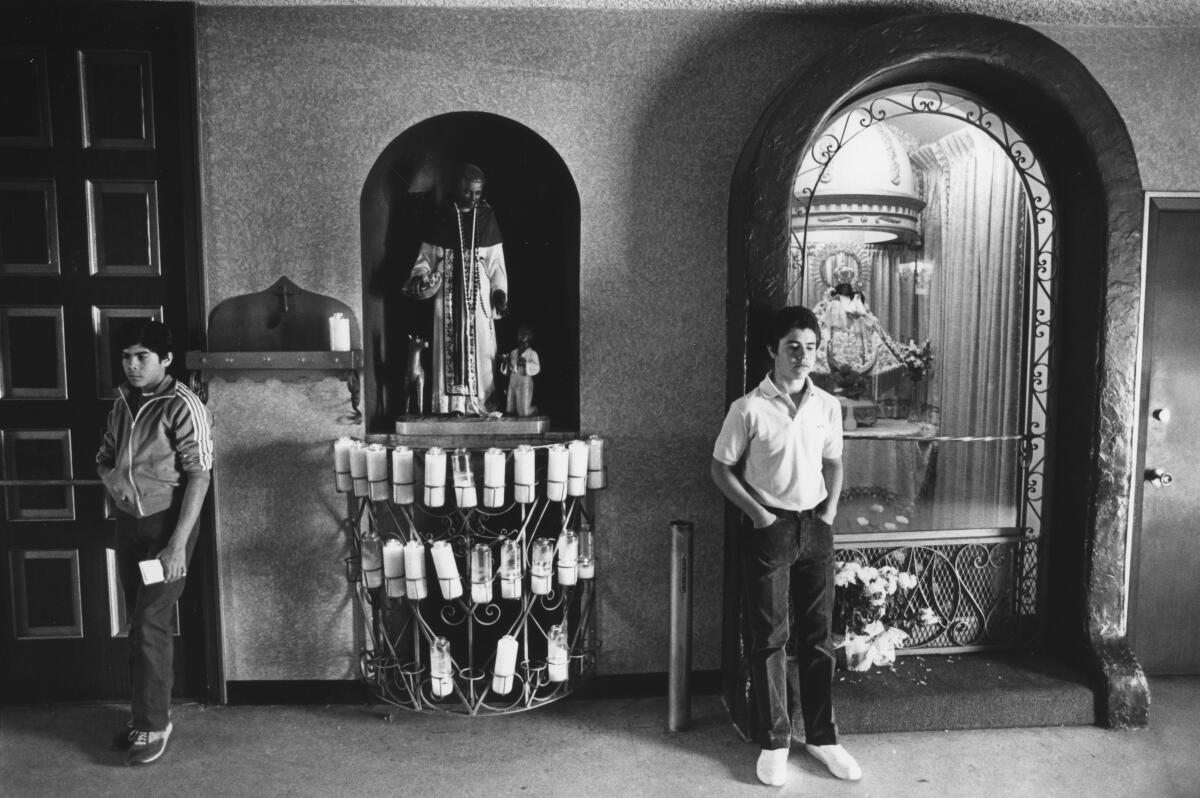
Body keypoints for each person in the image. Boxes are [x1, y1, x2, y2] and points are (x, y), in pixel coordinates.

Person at [710, 305, 862, 787]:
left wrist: (830, 512)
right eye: (793, 347)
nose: (802, 356)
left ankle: (822, 737)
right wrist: (759, 514)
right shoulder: (748, 407)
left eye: (811, 347)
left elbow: (834, 462)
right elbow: (721, 469)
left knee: (818, 638)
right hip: (769, 530)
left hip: (816, 527)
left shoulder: (827, 405)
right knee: (770, 638)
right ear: (773, 350)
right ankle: (775, 741)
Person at [96, 321, 213, 766]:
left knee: (151, 621)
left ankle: (153, 722)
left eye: (141, 356)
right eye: (126, 356)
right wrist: (116, 485)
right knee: (139, 620)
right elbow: (106, 455)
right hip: (131, 524)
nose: (132, 365)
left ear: (165, 359)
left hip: (170, 525)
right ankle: (145, 713)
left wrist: (177, 544)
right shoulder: (122, 401)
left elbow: (200, 475)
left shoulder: (184, 405)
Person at [404, 163, 509, 415]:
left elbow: (496, 262)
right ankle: (451, 405)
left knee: (482, 348)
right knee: (448, 346)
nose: (473, 198)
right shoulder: (442, 215)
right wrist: (420, 275)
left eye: (477, 193)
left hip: (478, 294)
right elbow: (426, 258)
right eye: (468, 192)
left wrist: (499, 292)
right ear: (457, 188)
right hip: (447, 293)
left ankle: (480, 403)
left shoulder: (487, 216)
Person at [501, 323, 540, 417]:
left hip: (524, 381)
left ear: (530, 336)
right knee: (510, 410)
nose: (522, 335)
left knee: (524, 413)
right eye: (520, 333)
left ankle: (534, 409)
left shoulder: (532, 353)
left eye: (525, 333)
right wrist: (505, 362)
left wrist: (525, 363)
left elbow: (537, 368)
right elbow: (507, 371)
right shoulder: (513, 352)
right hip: (513, 380)